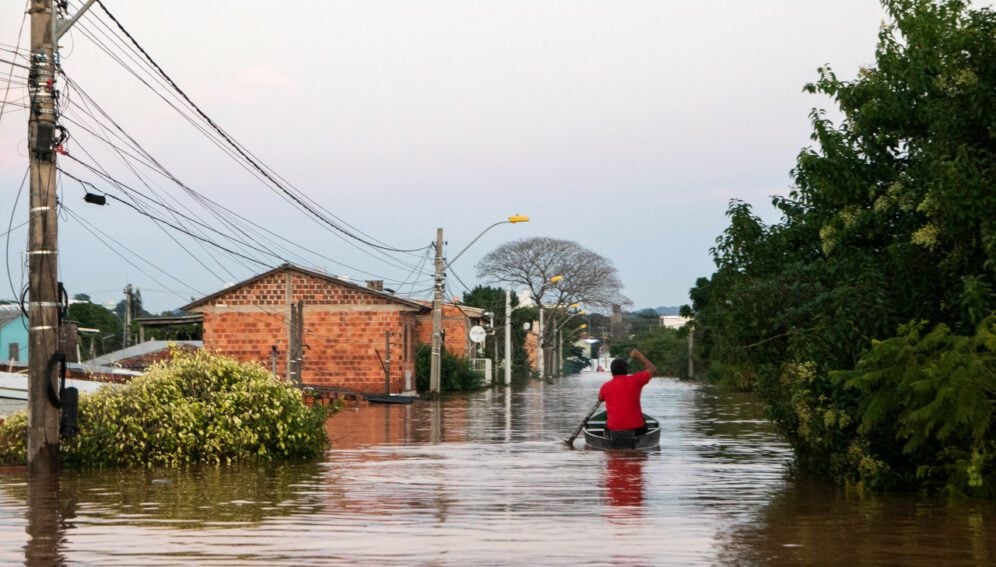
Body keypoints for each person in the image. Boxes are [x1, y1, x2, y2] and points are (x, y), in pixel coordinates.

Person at [598, 349, 657, 441]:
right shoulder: (636, 380)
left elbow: (600, 398)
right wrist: (640, 356)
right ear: (626, 370)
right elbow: (652, 370)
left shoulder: (605, 387)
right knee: (643, 423)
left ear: (612, 371)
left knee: (607, 424)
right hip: (637, 429)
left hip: (614, 429)